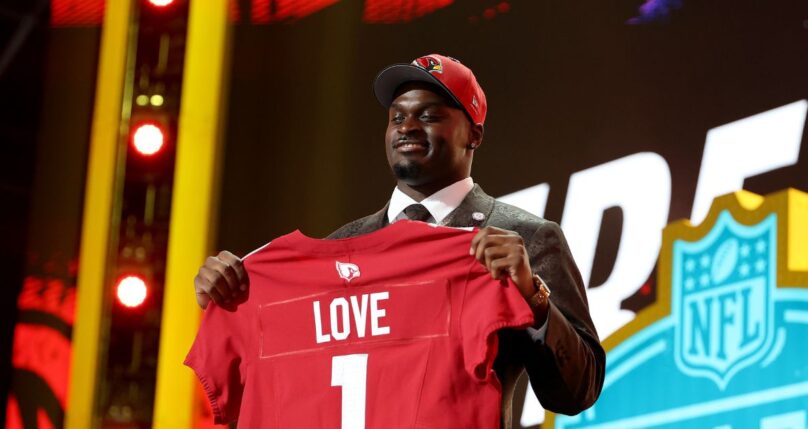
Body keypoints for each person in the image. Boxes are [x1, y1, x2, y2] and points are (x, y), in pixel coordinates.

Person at [193, 54, 605, 428]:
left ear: (474, 134)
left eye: (429, 115)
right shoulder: (341, 248)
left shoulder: (525, 239)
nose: (407, 127)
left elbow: (577, 393)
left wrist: (533, 297)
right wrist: (231, 294)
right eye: (397, 117)